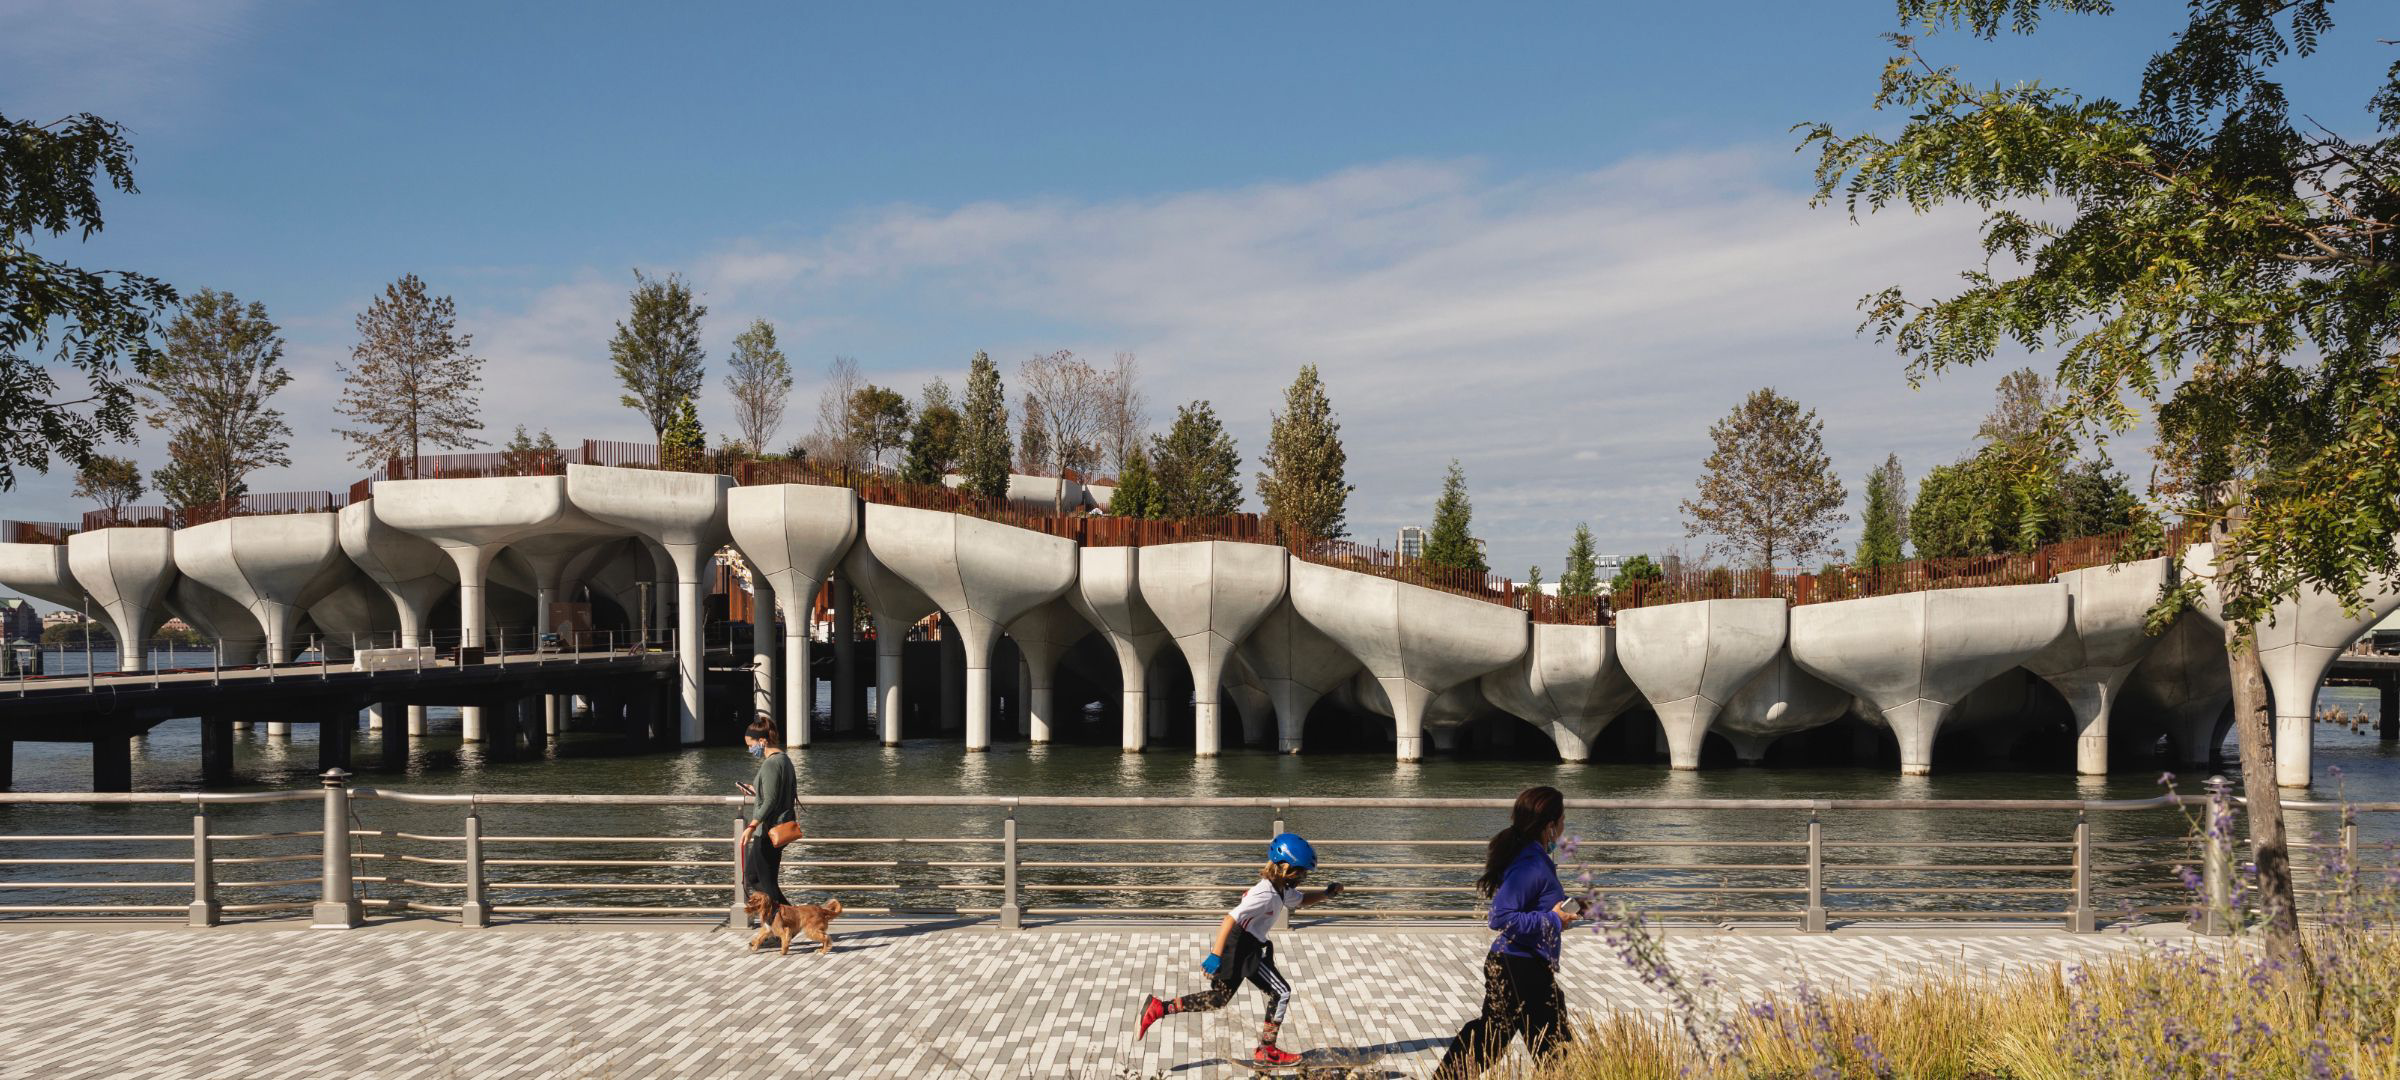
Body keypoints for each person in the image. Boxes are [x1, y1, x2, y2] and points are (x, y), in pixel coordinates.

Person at [1136, 832, 1345, 1067]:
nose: (1304, 877)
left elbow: (1301, 900)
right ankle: (1267, 1051)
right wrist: (1215, 954)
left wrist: (1327, 895)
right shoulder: (1264, 893)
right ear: (1285, 866)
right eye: (1302, 871)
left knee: (1218, 999)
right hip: (1242, 947)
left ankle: (1159, 1008)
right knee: (1282, 992)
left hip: (1245, 946)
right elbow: (1229, 919)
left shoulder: (1280, 888)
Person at [1432, 785, 1581, 1079]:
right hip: (1520, 967)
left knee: (1492, 1036)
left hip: (1516, 964)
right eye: (1563, 820)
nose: (1565, 826)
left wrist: (1560, 913)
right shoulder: (1531, 863)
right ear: (1551, 826)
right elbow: (1501, 916)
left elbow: (1529, 907)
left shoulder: (1533, 857)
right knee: (1554, 1049)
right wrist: (1553, 920)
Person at [738, 714, 797, 921]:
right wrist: (757, 791)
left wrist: (752, 825)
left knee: (767, 882)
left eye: (750, 744)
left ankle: (785, 922)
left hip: (768, 831)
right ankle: (792, 918)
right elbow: (775, 794)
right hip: (776, 828)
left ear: (762, 741)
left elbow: (771, 801)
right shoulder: (784, 759)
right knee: (755, 876)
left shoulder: (771, 763)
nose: (750, 749)